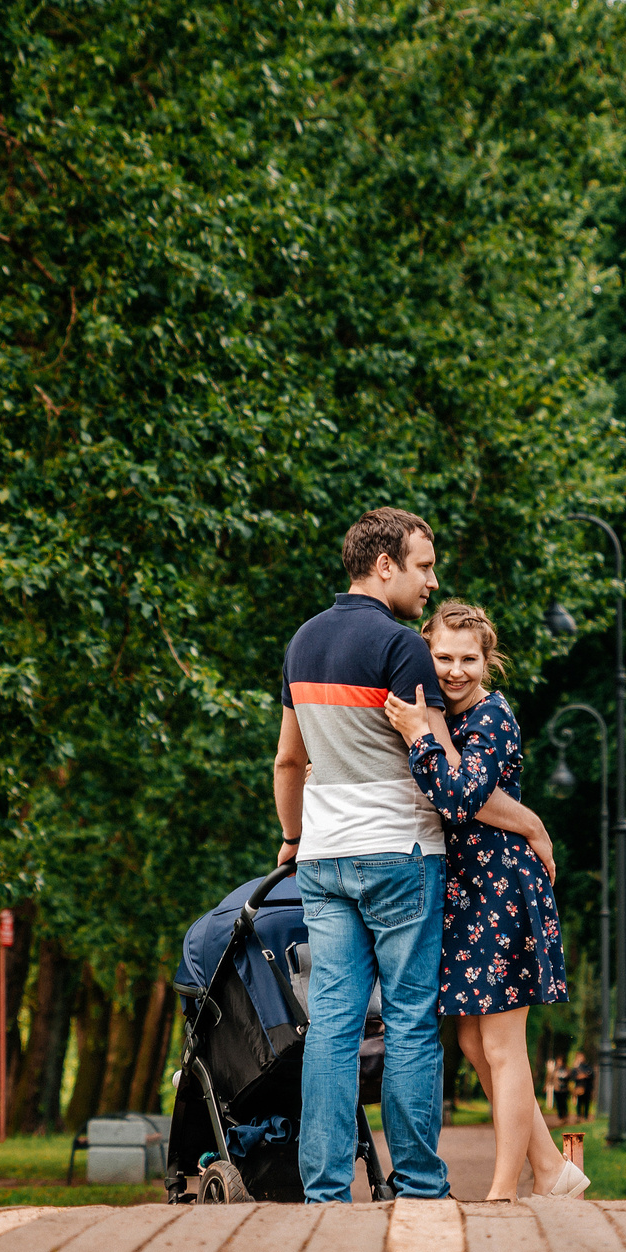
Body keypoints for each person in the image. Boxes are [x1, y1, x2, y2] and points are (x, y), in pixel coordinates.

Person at [271, 509, 459, 1201]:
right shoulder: (402, 647)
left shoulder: (302, 643)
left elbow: (290, 760)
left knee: (333, 1022)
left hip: (322, 859)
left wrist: (293, 839)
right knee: (409, 1017)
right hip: (401, 853)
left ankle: (324, 1189)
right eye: (423, 565)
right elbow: (441, 764)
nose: (432, 581)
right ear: (385, 564)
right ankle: (416, 1184)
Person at [385, 601, 587, 1201]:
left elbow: (460, 796)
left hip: (503, 889)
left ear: (487, 661)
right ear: (427, 653)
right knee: (474, 1042)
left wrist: (419, 734)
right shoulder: (444, 714)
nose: (454, 670)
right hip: (469, 890)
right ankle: (553, 1168)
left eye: (468, 659)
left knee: (501, 1044)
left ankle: (505, 1189)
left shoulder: (492, 714)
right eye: (442, 657)